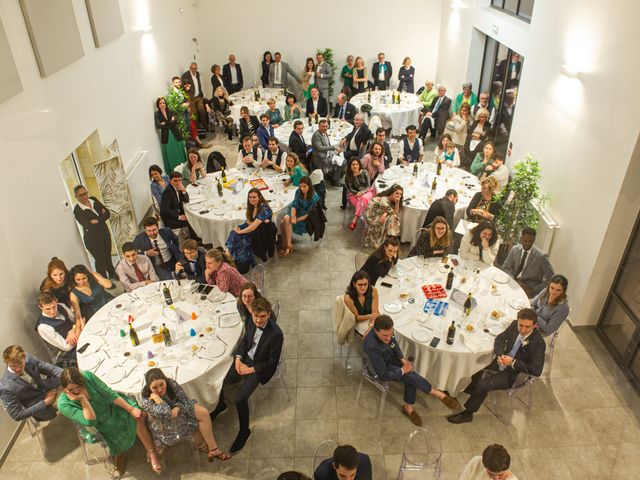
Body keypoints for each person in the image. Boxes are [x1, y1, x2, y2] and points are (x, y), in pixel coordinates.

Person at [210, 297, 283, 454]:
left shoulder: (276, 334)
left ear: (269, 314)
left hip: (259, 367)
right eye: (256, 315)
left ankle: (245, 432)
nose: (258, 320)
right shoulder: (251, 319)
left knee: (240, 399)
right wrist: (238, 358)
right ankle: (220, 405)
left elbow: (272, 363)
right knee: (221, 377)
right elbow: (244, 341)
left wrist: (249, 370)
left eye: (262, 316)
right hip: (246, 359)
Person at [447, 308, 545, 425]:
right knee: (476, 364)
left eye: (527, 327)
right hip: (503, 360)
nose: (522, 330)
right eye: (521, 325)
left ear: (534, 326)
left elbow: (537, 370)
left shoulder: (538, 343)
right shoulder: (514, 325)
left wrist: (513, 362)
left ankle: (468, 414)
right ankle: (471, 388)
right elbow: (500, 339)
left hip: (514, 374)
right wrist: (499, 355)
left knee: (483, 385)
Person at [58, 367, 162, 475]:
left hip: (111, 406)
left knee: (138, 415)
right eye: (70, 390)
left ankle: (151, 452)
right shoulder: (63, 404)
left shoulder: (87, 376)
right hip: (98, 424)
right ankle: (121, 452)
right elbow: (90, 422)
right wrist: (82, 399)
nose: (75, 391)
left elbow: (108, 393)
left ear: (82, 381)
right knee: (115, 430)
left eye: (78, 387)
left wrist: (130, 409)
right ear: (64, 389)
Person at [364, 315, 459, 426]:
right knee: (409, 375)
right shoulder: (371, 346)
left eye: (391, 334)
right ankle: (436, 394)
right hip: (379, 369)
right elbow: (383, 375)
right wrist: (403, 370)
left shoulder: (388, 331)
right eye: (385, 335)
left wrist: (402, 359)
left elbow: (394, 345)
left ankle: (409, 407)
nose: (389, 338)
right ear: (375, 331)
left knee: (410, 376)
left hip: (390, 358)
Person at [139, 368, 230, 461]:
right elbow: (167, 413)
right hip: (165, 424)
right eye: (154, 388)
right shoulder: (146, 399)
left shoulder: (171, 383)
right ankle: (197, 438)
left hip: (179, 411)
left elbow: (184, 400)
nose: (159, 389)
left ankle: (213, 449)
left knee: (203, 412)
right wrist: (156, 398)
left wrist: (177, 408)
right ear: (149, 387)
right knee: (194, 431)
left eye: (161, 384)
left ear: (164, 380)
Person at [0, 345, 62, 421]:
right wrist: (44, 403)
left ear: (24, 357)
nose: (18, 369)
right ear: (7, 363)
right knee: (66, 402)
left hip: (46, 387)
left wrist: (67, 375)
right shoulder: (6, 387)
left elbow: (51, 369)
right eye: (13, 366)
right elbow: (17, 415)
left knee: (73, 382)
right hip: (38, 405)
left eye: (20, 363)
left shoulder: (28, 359)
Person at [73, 185, 116, 279]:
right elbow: (89, 226)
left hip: (104, 233)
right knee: (100, 261)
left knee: (108, 256)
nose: (84, 197)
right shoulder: (77, 211)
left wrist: (97, 220)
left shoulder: (93, 200)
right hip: (93, 239)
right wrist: (102, 216)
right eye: (81, 195)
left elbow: (107, 214)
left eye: (85, 193)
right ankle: (103, 281)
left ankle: (112, 274)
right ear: (76, 196)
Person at [225, 188, 274, 269]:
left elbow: (253, 227)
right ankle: (227, 258)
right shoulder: (251, 206)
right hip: (252, 228)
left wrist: (240, 232)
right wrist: (240, 228)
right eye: (250, 197)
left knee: (238, 236)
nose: (251, 199)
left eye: (254, 197)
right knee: (233, 232)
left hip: (260, 233)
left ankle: (229, 259)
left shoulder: (264, 208)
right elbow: (249, 222)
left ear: (260, 197)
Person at [501, 228, 555, 297]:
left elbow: (551, 279)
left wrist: (534, 290)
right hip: (513, 282)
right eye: (525, 240)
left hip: (528, 290)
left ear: (534, 240)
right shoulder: (514, 249)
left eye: (531, 241)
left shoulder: (541, 257)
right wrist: (514, 280)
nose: (527, 243)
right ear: (521, 239)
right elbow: (505, 268)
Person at [279, 176, 319, 256]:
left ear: (309, 186)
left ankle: (286, 244)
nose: (302, 188)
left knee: (284, 221)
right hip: (297, 211)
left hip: (306, 217)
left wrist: (296, 220)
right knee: (285, 219)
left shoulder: (314, 197)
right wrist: (293, 216)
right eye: (300, 186)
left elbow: (309, 214)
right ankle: (288, 245)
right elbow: (295, 204)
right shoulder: (298, 191)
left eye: (304, 186)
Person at [36, 293, 79, 363]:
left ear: (56, 301)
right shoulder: (43, 327)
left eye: (54, 307)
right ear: (40, 307)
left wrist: (72, 330)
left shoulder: (61, 306)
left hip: (78, 339)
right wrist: (78, 330)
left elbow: (76, 320)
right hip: (68, 356)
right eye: (48, 309)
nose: (52, 311)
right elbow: (67, 347)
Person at [154, 97, 187, 173]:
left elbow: (175, 121)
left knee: (179, 150)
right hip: (166, 136)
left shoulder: (170, 110)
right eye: (160, 103)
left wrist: (165, 123)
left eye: (163, 103)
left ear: (166, 104)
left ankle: (184, 167)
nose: (162, 104)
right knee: (170, 153)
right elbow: (158, 125)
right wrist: (170, 122)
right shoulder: (157, 114)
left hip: (176, 134)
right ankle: (173, 171)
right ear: (158, 105)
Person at [311, 119, 342, 185]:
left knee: (343, 161)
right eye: (323, 126)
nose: (325, 128)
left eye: (326, 126)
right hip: (321, 158)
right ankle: (334, 181)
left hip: (328, 154)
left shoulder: (324, 132)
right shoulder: (316, 135)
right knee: (341, 162)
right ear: (319, 127)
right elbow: (320, 148)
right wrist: (334, 147)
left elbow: (327, 144)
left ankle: (333, 177)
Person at [345, 158, 373, 231]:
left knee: (362, 201)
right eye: (353, 164)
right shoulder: (348, 175)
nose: (355, 166)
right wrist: (357, 193)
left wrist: (362, 192)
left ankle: (355, 219)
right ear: (350, 166)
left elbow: (368, 186)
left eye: (357, 164)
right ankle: (365, 222)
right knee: (361, 204)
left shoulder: (364, 172)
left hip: (366, 192)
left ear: (359, 165)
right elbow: (350, 188)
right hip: (354, 194)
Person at [181, 62, 210, 131]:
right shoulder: (185, 75)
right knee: (194, 113)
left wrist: (202, 94)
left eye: (195, 68)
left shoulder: (197, 74)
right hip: (191, 97)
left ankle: (205, 126)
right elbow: (184, 87)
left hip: (198, 95)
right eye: (192, 68)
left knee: (202, 111)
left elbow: (199, 84)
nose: (194, 70)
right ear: (190, 68)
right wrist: (187, 96)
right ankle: (198, 128)